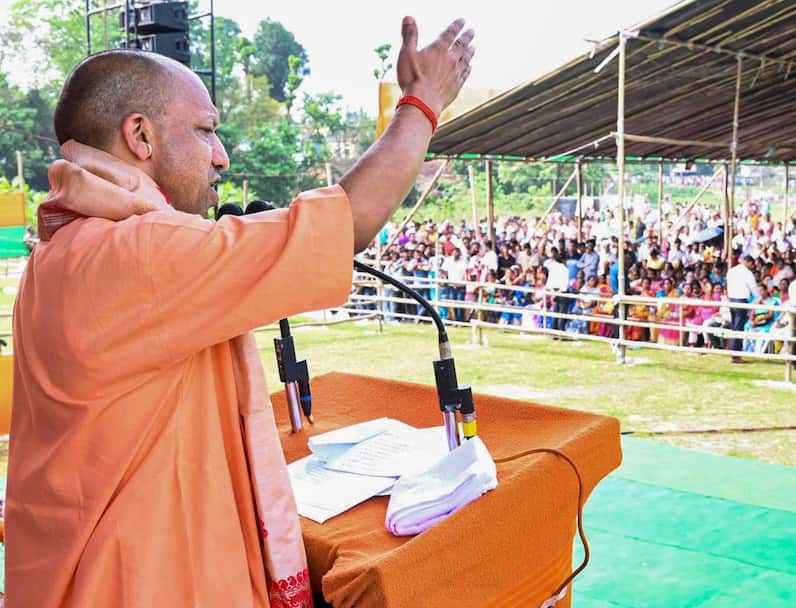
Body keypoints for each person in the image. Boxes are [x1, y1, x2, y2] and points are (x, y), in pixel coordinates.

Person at [6, 18, 474, 608]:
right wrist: (423, 102)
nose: (221, 158)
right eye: (206, 131)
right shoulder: (140, 254)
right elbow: (346, 221)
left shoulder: (60, 254)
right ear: (140, 136)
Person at [725, 254, 760, 363]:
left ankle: (733, 352)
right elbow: (753, 287)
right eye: (752, 264)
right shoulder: (747, 273)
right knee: (738, 328)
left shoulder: (731, 271)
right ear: (748, 262)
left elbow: (728, 285)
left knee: (734, 327)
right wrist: (759, 298)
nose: (752, 267)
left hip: (732, 300)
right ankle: (735, 354)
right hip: (741, 300)